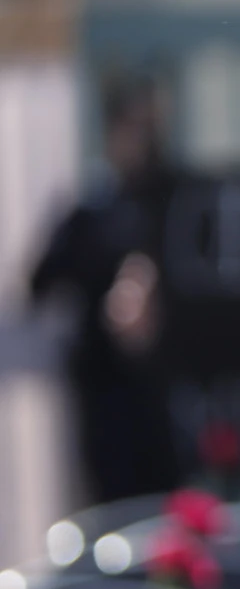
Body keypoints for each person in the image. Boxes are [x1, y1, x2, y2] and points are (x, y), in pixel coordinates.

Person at [29, 76, 180, 500]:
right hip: (104, 389)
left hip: (162, 390)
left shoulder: (170, 200)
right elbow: (40, 283)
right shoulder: (91, 208)